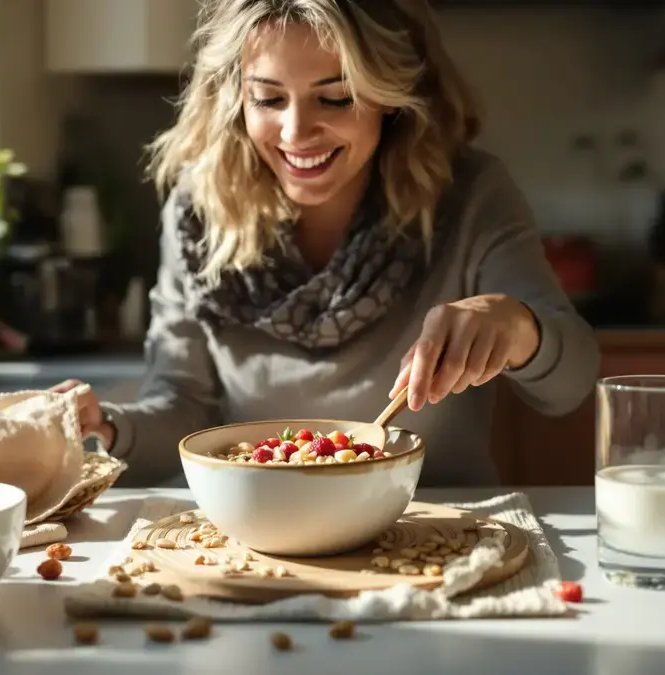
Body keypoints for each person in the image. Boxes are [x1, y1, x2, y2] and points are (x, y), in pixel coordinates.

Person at [52, 0, 599, 487]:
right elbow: (182, 408)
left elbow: (569, 385)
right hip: (265, 542)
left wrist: (517, 326)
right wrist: (109, 425)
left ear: (390, 96)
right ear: (235, 98)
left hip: (444, 539)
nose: (295, 132)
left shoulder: (472, 196)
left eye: (335, 99)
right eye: (267, 99)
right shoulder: (199, 212)